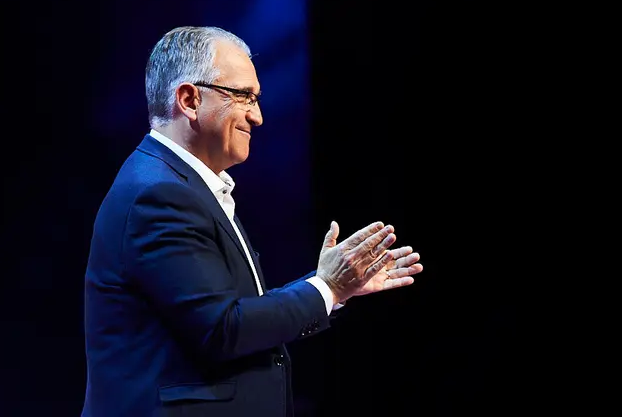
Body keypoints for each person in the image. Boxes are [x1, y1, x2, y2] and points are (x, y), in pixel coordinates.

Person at [81, 26, 423, 417]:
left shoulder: (175, 184)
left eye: (256, 99)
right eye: (243, 96)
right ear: (189, 100)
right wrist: (327, 287)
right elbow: (222, 330)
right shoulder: (158, 194)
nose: (257, 116)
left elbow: (230, 313)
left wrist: (334, 287)